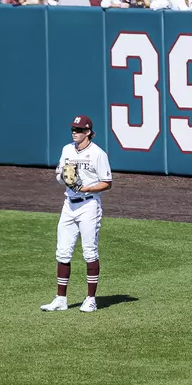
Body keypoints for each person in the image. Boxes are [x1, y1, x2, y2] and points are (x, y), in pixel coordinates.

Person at [43, 115, 113, 314]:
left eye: (79, 129)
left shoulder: (98, 154)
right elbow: (59, 176)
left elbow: (107, 183)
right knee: (63, 251)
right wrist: (64, 177)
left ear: (88, 132)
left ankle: (91, 299)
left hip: (88, 205)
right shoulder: (66, 150)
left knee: (89, 252)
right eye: (73, 129)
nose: (75, 132)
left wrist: (85, 189)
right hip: (68, 205)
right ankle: (61, 299)